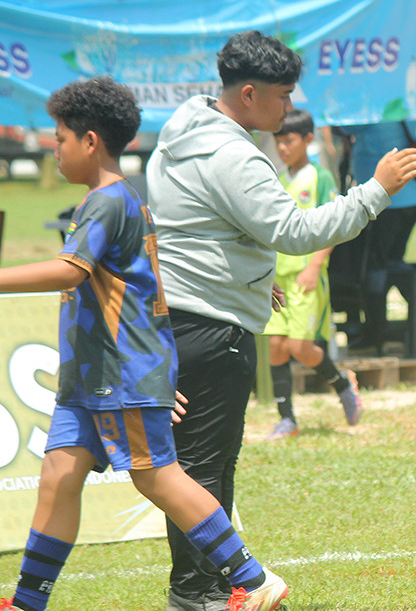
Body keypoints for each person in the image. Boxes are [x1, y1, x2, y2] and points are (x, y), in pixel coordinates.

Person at [145, 30, 416, 609]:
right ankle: (196, 593)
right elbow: (295, 232)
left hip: (186, 316)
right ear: (248, 94)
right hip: (212, 328)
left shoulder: (180, 135)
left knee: (204, 464)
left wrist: (246, 275)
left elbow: (188, 231)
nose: (288, 109)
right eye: (282, 97)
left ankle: (208, 588)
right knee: (203, 469)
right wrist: (377, 190)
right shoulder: (233, 154)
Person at [0, 78, 288, 611]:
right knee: (59, 475)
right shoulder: (106, 200)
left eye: (60, 139)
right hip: (90, 377)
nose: (54, 150)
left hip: (121, 372)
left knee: (156, 477)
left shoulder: (109, 202)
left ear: (90, 142)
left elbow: (70, 271)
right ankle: (27, 602)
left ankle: (253, 579)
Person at [264, 109, 362, 440]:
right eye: (278, 141)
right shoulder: (277, 180)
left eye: (288, 140)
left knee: (300, 347)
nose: (282, 148)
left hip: (307, 275)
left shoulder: (319, 177)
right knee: (276, 346)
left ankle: (342, 383)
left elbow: (332, 226)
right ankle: (287, 420)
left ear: (308, 139)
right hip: (279, 278)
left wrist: (314, 265)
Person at [342, 121, 416, 355]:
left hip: (386, 200)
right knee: (390, 263)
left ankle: (376, 334)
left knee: (375, 268)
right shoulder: (399, 103)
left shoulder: (367, 110)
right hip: (413, 195)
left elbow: (344, 126)